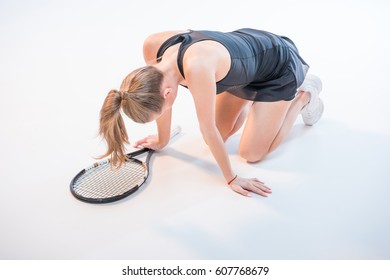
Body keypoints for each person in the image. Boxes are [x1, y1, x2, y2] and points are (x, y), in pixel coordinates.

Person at [99, 28, 323, 197]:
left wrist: (232, 178)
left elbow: (208, 128)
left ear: (167, 93)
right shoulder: (153, 49)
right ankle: (257, 102)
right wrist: (162, 140)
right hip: (242, 74)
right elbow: (166, 105)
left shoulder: (197, 67)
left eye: (164, 109)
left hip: (277, 66)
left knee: (251, 154)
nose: (167, 111)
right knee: (216, 140)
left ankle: (303, 97)